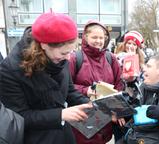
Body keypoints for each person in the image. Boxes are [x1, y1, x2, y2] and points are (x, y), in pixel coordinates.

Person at [0, 12, 92, 144]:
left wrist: (89, 105)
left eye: (70, 52)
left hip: (64, 136)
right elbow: (17, 117)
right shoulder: (10, 69)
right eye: (64, 53)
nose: (68, 58)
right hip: (36, 138)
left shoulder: (59, 58)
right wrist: (60, 115)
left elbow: (69, 91)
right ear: (44, 45)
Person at [68, 20, 124, 144]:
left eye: (101, 38)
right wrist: (86, 90)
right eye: (94, 37)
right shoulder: (75, 58)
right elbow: (66, 87)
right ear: (85, 37)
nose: (98, 41)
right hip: (82, 119)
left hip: (105, 119)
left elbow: (119, 85)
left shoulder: (111, 58)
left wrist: (118, 111)